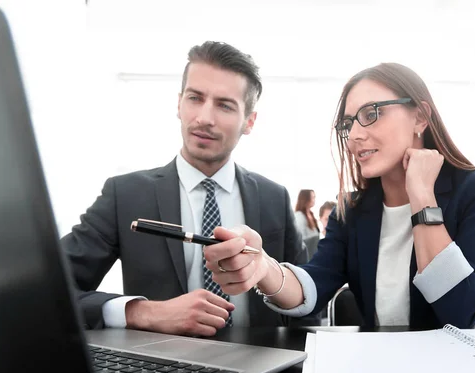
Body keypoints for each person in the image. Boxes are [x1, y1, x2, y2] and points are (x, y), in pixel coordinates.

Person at [203, 62, 475, 329]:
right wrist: (263, 267)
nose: (356, 135)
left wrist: (423, 195)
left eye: (372, 114)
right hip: (376, 371)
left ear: (420, 117)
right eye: (349, 124)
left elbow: (462, 310)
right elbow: (314, 284)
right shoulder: (352, 209)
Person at [63, 41, 315, 337]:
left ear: (249, 121)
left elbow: (309, 304)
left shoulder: (274, 197)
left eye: (224, 105)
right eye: (195, 98)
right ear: (179, 104)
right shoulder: (125, 195)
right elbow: (47, 289)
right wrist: (142, 312)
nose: (204, 118)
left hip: (262, 369)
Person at [294, 189, 321, 256]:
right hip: (307, 254)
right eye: (313, 197)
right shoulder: (299, 216)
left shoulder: (311, 214)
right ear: (306, 199)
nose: (314, 200)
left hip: (314, 251)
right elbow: (300, 239)